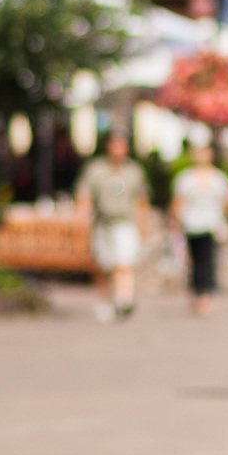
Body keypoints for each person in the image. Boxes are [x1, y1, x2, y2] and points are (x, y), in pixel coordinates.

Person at [76, 132, 149, 323]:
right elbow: (85, 197)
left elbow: (141, 201)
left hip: (125, 222)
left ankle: (124, 300)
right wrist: (82, 221)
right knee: (103, 266)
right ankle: (107, 300)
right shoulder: (96, 170)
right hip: (102, 223)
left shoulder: (134, 171)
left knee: (123, 263)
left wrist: (143, 225)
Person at [169, 141, 228, 317]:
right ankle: (196, 292)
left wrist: (226, 219)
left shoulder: (218, 178)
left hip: (211, 225)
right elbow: (178, 202)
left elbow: (227, 202)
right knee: (193, 261)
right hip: (191, 225)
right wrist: (175, 221)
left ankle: (205, 295)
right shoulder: (185, 178)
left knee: (208, 261)